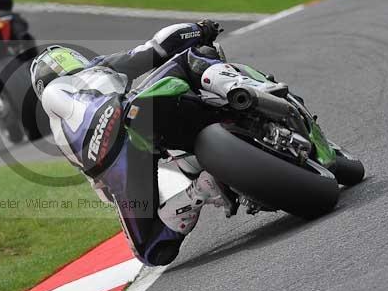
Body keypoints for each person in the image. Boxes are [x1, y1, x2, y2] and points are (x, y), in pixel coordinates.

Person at [30, 21, 235, 266]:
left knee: (153, 250)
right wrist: (200, 29)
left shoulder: (61, 133)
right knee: (195, 56)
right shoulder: (102, 68)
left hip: (113, 159)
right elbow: (156, 49)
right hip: (128, 113)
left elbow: (102, 189)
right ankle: (238, 91)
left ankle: (202, 189)